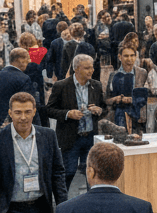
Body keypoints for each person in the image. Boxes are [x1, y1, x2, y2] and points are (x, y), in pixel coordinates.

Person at [44, 54, 107, 185]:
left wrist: (99, 110)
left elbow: (104, 108)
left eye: (92, 67)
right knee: (68, 173)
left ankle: (91, 203)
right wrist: (68, 113)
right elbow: (48, 110)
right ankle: (62, 203)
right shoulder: (61, 86)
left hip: (90, 137)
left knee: (93, 176)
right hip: (70, 138)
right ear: (76, 69)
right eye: (87, 68)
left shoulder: (96, 85)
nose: (91, 70)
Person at [105, 45, 149, 131]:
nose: (129, 58)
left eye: (132, 55)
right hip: (118, 116)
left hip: (138, 116)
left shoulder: (142, 73)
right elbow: (107, 99)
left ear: (136, 56)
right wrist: (116, 99)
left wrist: (131, 100)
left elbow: (146, 96)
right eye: (126, 56)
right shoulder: (113, 75)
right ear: (119, 57)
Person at [0, 48, 36, 118]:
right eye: (27, 58)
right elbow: (27, 103)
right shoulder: (24, 79)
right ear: (20, 60)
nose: (29, 61)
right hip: (13, 120)